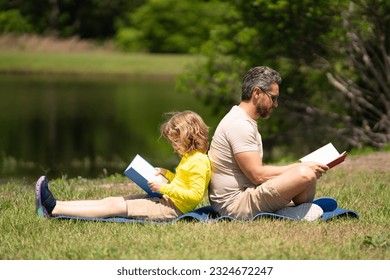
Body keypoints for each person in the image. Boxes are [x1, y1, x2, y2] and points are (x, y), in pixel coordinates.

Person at [35, 110, 211, 221]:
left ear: (191, 136)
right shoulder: (190, 157)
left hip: (173, 209)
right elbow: (183, 182)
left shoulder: (199, 162)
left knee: (113, 208)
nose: (174, 146)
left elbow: (194, 196)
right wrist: (167, 174)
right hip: (165, 199)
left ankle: (52, 209)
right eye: (173, 142)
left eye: (177, 141)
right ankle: (56, 204)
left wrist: (164, 189)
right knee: (110, 201)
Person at [208, 66, 329, 221]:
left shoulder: (243, 120)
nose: (275, 104)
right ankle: (285, 212)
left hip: (247, 194)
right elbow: (257, 175)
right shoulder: (239, 124)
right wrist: (301, 167)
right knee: (304, 174)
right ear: (257, 93)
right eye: (273, 98)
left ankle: (290, 210)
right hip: (236, 205)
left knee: (305, 176)